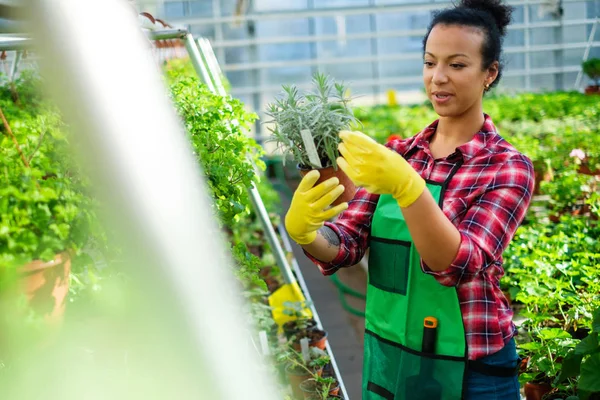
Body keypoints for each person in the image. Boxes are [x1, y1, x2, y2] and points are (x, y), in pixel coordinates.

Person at [284, 0, 535, 399]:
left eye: (456, 64)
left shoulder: (507, 168)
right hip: (392, 351)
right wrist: (306, 231)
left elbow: (456, 262)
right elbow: (347, 244)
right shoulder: (399, 155)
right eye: (429, 62)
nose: (438, 78)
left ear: (490, 73)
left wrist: (408, 189)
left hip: (473, 370)